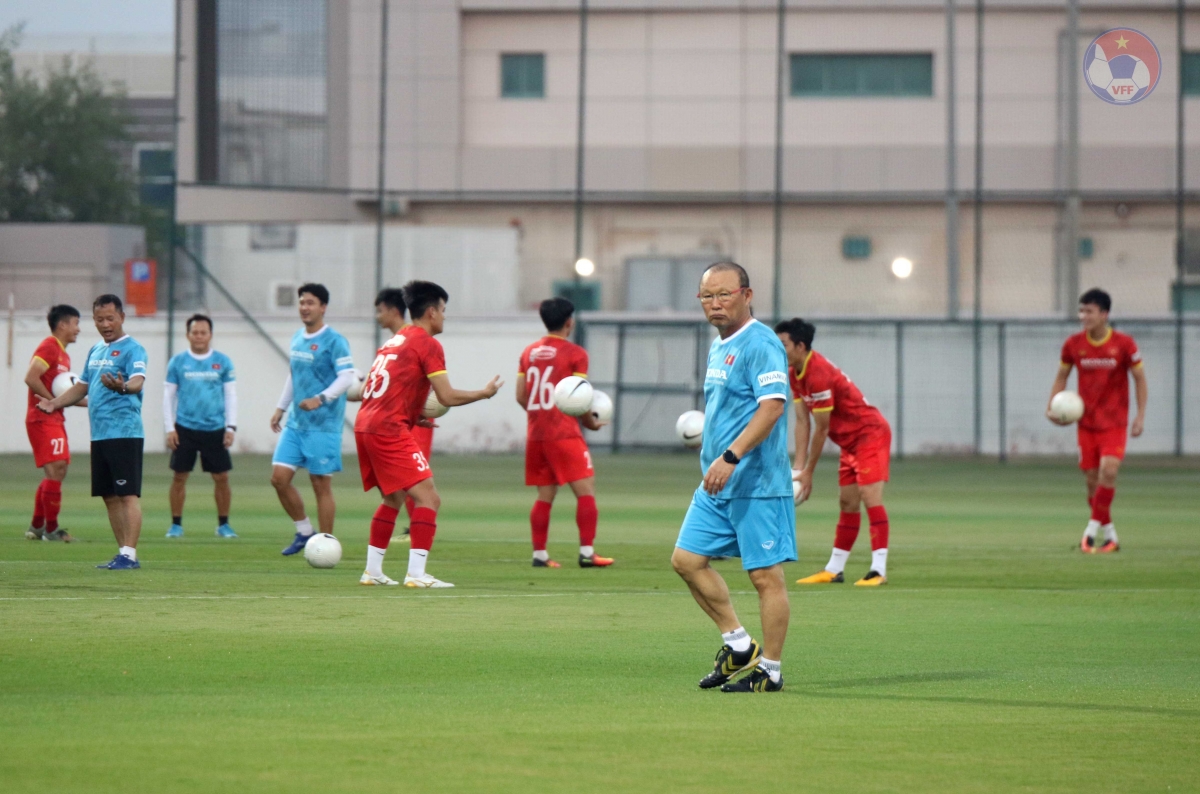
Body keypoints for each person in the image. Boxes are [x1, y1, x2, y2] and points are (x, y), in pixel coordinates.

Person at [670, 262, 794, 694]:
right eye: (707, 296)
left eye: (724, 294)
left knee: (765, 577)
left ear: (747, 294)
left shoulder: (761, 344)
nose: (715, 304)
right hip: (717, 482)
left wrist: (731, 455)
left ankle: (772, 671)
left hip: (755, 482)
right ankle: (739, 645)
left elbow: (772, 406)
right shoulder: (719, 344)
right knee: (686, 561)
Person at [354, 280, 502, 587]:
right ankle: (417, 575)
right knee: (429, 498)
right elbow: (446, 397)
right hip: (387, 428)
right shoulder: (428, 343)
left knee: (393, 497)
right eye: (444, 310)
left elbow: (383, 385)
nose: (445, 317)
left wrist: (413, 413)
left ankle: (373, 572)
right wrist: (484, 393)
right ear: (432, 311)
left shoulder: (396, 339)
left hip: (366, 423)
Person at [776, 318, 893, 586]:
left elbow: (821, 429)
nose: (777, 349)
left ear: (800, 345)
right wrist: (799, 467)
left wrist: (809, 473)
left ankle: (879, 570)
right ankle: (834, 569)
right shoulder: (795, 373)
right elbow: (802, 422)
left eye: (782, 344)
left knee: (869, 496)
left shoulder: (817, 374)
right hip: (850, 442)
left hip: (869, 435)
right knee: (847, 502)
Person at [39, 295, 148, 570]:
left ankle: (130, 554)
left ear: (122, 316)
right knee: (109, 495)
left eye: (110, 318)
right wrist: (54, 403)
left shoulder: (133, 349)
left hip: (124, 431)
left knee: (127, 495)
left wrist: (122, 387)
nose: (105, 324)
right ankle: (122, 553)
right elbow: (82, 386)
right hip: (99, 434)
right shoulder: (96, 351)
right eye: (99, 319)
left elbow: (137, 382)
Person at [516, 297, 612, 568]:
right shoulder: (576, 354)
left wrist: (540, 415)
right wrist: (589, 422)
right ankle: (587, 552)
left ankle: (539, 555)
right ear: (569, 322)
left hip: (536, 434)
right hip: (564, 433)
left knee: (544, 496)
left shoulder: (528, 353)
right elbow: (579, 398)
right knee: (585, 491)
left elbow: (520, 396)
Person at [1048, 288, 1147, 554]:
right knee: (1092, 480)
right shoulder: (1073, 345)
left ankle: (1090, 533)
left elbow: (1139, 379)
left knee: (1109, 471)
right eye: (1081, 311)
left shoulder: (1125, 344)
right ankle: (1111, 536)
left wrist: (1139, 416)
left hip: (1114, 422)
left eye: (1089, 311)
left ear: (1104, 314)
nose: (1083, 316)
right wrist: (1052, 406)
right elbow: (1061, 377)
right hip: (1086, 424)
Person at [271, 284, 357, 556]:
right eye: (302, 302)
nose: (305, 307)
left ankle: (326, 543)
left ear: (323, 307)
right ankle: (304, 531)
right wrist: (280, 407)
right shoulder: (298, 338)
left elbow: (346, 377)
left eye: (310, 303)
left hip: (324, 426)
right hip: (297, 424)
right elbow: (293, 374)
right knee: (279, 479)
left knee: (321, 484)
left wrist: (320, 399)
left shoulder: (335, 341)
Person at [163, 314, 238, 538]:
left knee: (221, 477)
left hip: (215, 428)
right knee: (179, 476)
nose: (199, 336)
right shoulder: (177, 362)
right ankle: (176, 525)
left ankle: (223, 525)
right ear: (188, 335)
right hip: (185, 427)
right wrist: (170, 428)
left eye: (203, 332)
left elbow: (230, 395)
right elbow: (168, 396)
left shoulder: (223, 362)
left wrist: (231, 427)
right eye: (194, 332)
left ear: (210, 335)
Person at [24, 304, 84, 542]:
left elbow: (64, 394)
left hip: (53, 417)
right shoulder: (49, 347)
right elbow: (30, 377)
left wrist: (92, 402)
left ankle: (38, 527)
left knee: (58, 470)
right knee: (56, 468)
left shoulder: (64, 355)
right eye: (76, 323)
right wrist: (52, 402)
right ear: (62, 324)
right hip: (41, 417)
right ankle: (51, 529)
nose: (78, 329)